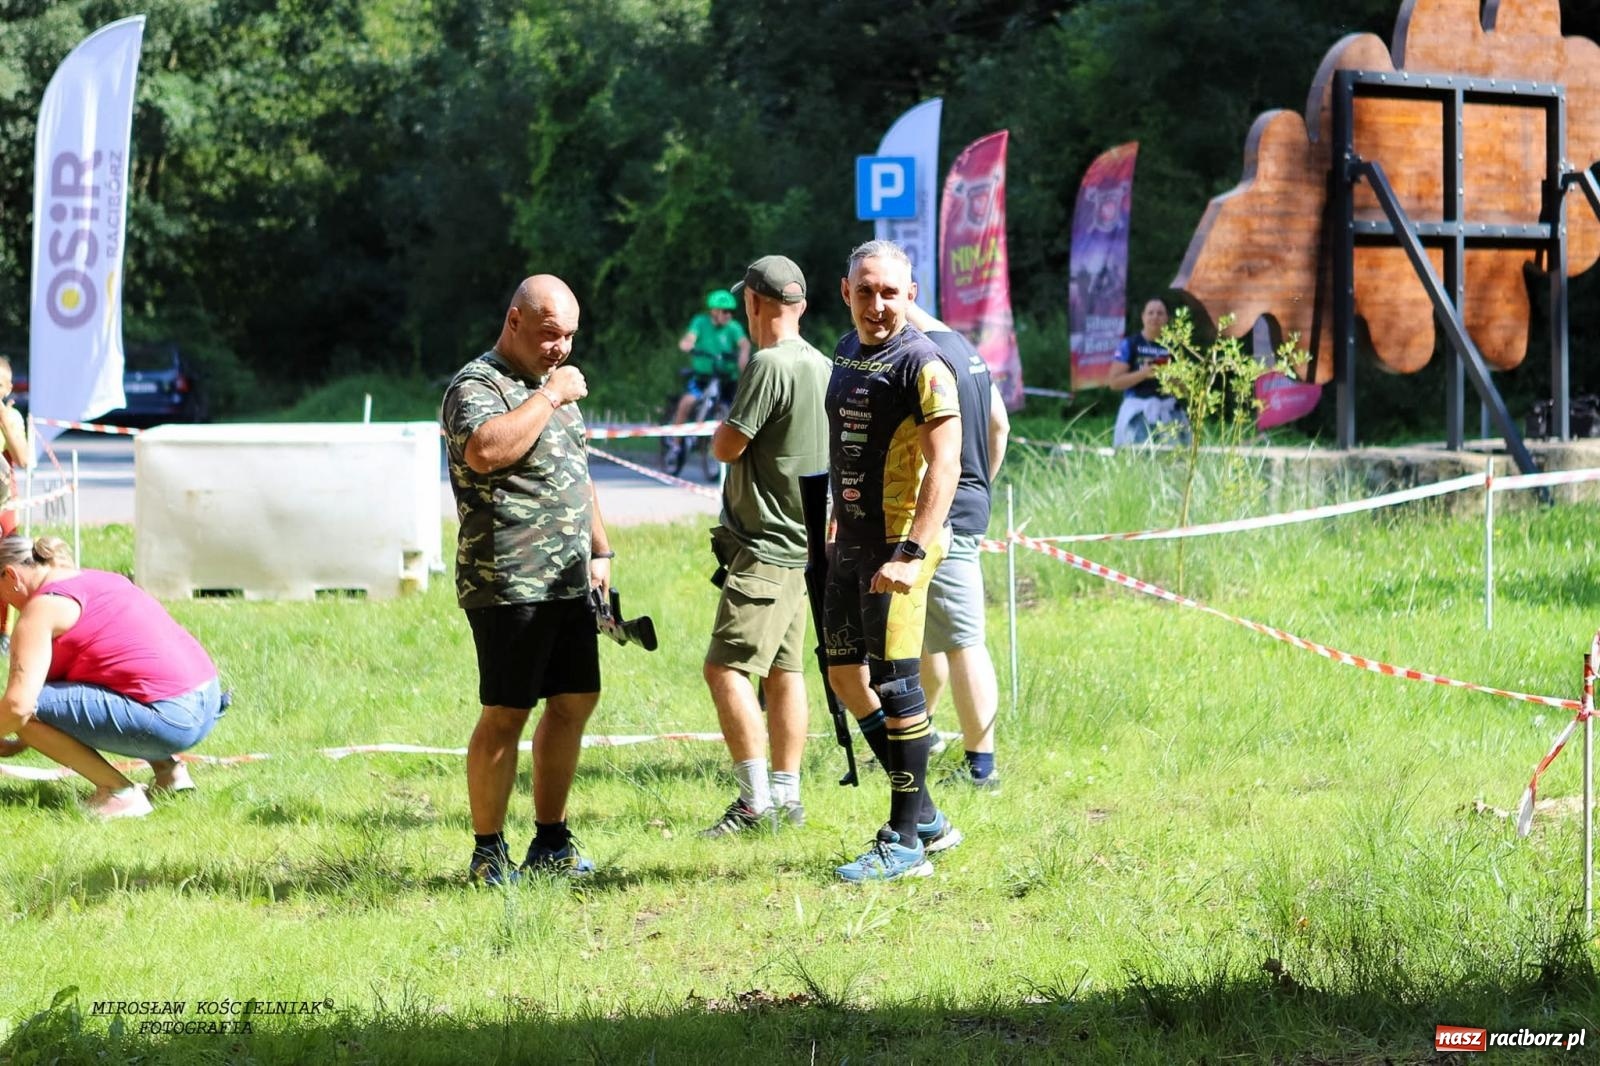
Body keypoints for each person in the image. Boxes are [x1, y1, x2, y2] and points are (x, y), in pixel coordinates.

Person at [441, 274, 614, 884]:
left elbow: (576, 471)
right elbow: (486, 450)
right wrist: (550, 397)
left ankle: (552, 840)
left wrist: (601, 550)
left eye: (568, 335)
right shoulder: (477, 385)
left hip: (568, 579)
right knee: (506, 711)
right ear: (513, 321)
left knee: (574, 701)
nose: (560, 348)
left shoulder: (551, 385)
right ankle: (488, 853)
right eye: (548, 335)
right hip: (508, 579)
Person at [823, 239, 964, 883]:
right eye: (864, 290)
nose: (876, 304)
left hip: (898, 548)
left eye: (889, 292)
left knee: (896, 684)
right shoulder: (845, 350)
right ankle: (928, 815)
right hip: (848, 543)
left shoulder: (924, 364)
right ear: (845, 290)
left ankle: (904, 842)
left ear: (911, 295)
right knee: (843, 676)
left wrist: (911, 552)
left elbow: (948, 463)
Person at [697, 255, 831, 837]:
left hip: (765, 547)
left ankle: (754, 804)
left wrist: (718, 433)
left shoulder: (767, 366)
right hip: (805, 548)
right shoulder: (824, 365)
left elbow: (727, 446)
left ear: (752, 303)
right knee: (785, 673)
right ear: (799, 306)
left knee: (724, 669)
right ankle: (787, 798)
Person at [0, 535, 223, 819]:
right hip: (207, 700)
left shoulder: (42, 609)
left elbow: (20, 706)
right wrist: (25, 739)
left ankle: (118, 793)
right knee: (95, 682)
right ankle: (169, 774)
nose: (5, 604)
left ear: (10, 575)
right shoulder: (103, 580)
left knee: (28, 708)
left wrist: (19, 726)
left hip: (171, 719)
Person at [903, 302, 1009, 793]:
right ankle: (919, 732)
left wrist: (953, 494)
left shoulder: (918, 356)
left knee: (964, 643)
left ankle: (981, 768)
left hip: (943, 516)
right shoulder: (966, 350)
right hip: (968, 504)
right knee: (932, 636)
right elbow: (1000, 426)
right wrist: (980, 483)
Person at [1106, 297, 1190, 447]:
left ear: (1166, 318)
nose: (1155, 317)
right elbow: (1114, 383)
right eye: (1150, 313)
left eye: (1160, 313)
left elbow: (1186, 389)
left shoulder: (1175, 348)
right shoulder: (1130, 344)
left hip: (1168, 411)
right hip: (1137, 410)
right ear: (1143, 317)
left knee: (1175, 461)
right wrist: (1143, 373)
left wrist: (1169, 378)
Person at [0, 357, 31, 657]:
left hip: (3, 504)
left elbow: (22, 459)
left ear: (8, 388)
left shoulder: (13, 418)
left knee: (6, 564)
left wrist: (4, 419)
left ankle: (3, 631)